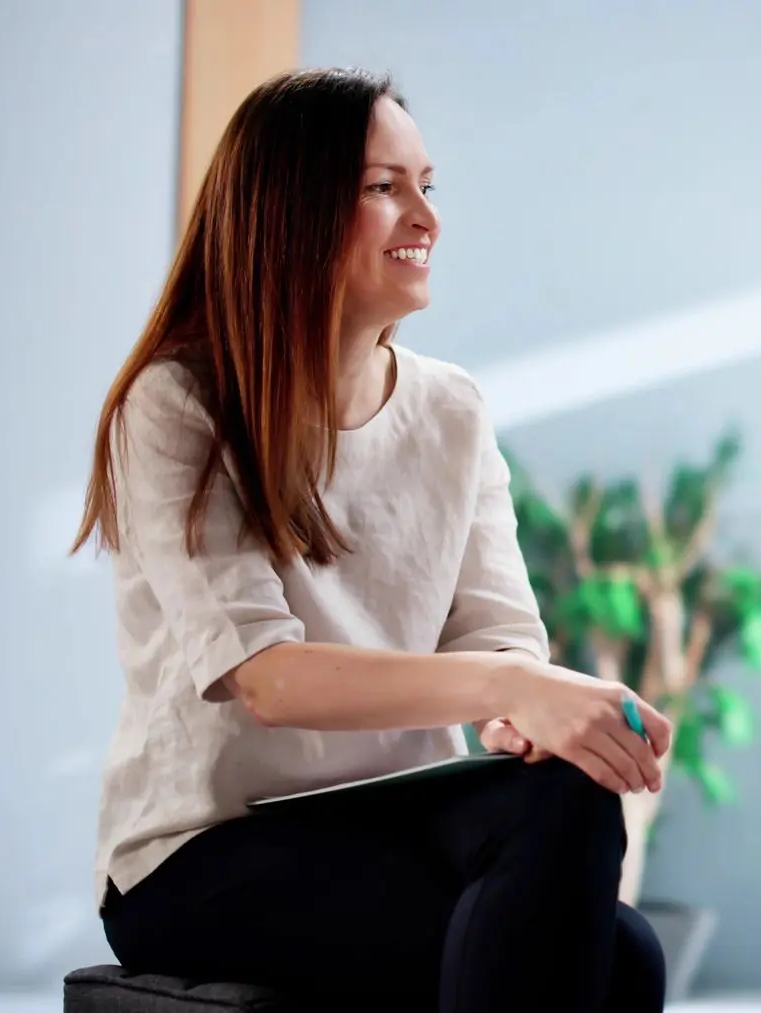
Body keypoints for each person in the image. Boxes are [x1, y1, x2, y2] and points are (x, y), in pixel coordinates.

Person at [71, 67, 671, 1013]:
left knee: (574, 814)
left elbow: (497, 636)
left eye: (427, 185)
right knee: (617, 961)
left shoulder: (451, 408)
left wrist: (526, 707)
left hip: (390, 818)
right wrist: (507, 684)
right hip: (204, 847)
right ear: (288, 213)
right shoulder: (179, 402)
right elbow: (267, 676)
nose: (423, 217)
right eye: (383, 188)